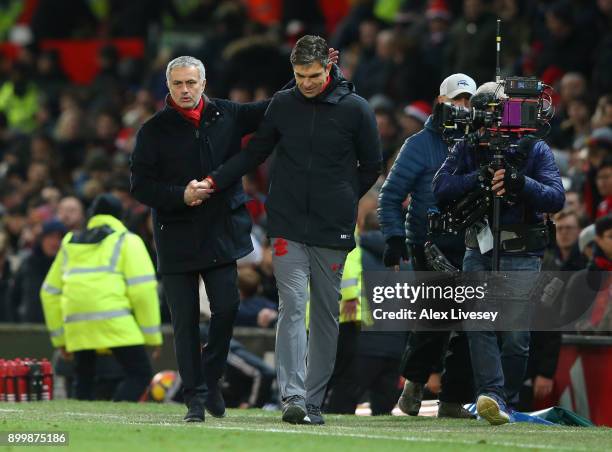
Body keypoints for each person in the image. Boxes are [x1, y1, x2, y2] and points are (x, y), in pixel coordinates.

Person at [130, 50, 338, 422]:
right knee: (185, 322)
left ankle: (209, 380)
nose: (185, 89)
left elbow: (275, 105)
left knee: (226, 310)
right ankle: (195, 399)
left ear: (203, 84)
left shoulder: (228, 113)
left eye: (191, 82)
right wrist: (181, 195)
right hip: (176, 236)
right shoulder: (153, 130)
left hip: (220, 234)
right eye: (177, 83)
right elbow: (141, 186)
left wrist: (313, 74)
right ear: (168, 87)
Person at [204, 35, 382, 425]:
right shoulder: (282, 105)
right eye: (299, 75)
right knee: (292, 305)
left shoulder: (357, 110)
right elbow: (255, 153)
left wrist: (343, 198)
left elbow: (372, 165)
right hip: (286, 224)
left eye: (314, 75)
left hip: (332, 228)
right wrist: (216, 181)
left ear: (329, 69)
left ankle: (314, 401)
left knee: (324, 316)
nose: (307, 82)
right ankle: (294, 398)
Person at [432, 82, 565, 425]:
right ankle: (491, 395)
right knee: (480, 327)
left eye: (501, 111)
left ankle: (503, 399)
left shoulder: (534, 148)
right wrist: (477, 178)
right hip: (479, 248)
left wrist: (520, 183)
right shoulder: (468, 145)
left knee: (516, 337)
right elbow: (440, 187)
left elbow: (555, 197)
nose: (495, 122)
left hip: (522, 251)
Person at [378, 73, 477, 419]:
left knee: (472, 324)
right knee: (436, 319)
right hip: (429, 240)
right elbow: (390, 196)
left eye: (468, 101)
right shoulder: (419, 144)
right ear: (440, 101)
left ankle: (453, 398)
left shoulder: (480, 142)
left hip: (470, 242)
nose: (462, 108)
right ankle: (415, 384)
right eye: (456, 100)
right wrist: (393, 236)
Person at [40, 193, 162, 401]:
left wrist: (61, 338)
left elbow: (49, 292)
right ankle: (118, 412)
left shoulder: (70, 242)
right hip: (113, 320)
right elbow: (142, 290)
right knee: (139, 374)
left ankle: (81, 425)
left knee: (83, 379)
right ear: (120, 217)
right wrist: (151, 335)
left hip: (77, 323)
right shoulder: (127, 241)